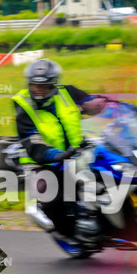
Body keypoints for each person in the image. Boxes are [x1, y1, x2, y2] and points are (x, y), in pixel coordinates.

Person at [12, 59, 108, 241]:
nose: (39, 90)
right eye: (35, 86)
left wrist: (118, 107)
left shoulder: (68, 92)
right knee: (53, 198)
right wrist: (57, 155)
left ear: (54, 84)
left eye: (44, 86)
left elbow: (93, 103)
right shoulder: (23, 106)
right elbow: (32, 143)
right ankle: (69, 234)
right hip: (41, 161)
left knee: (110, 170)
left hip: (78, 152)